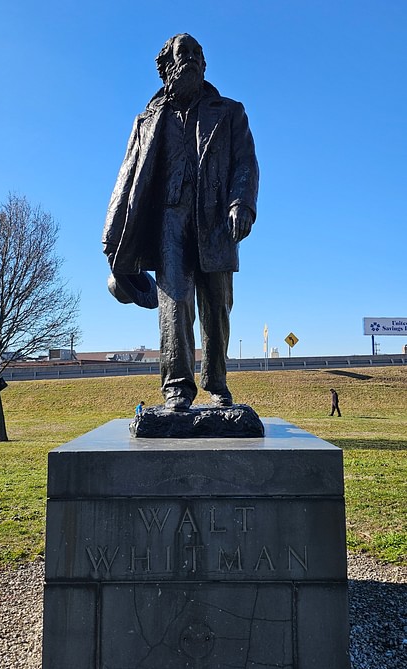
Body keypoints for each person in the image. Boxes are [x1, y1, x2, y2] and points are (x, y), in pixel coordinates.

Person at [102, 33, 259, 411]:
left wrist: (242, 205)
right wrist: (112, 232)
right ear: (167, 67)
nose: (190, 58)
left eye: (196, 53)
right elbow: (127, 175)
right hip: (168, 220)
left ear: (204, 65)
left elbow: (246, 164)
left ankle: (217, 383)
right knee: (175, 304)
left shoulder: (230, 111)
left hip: (216, 221)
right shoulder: (146, 120)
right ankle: (177, 387)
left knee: (217, 305)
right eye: (182, 53)